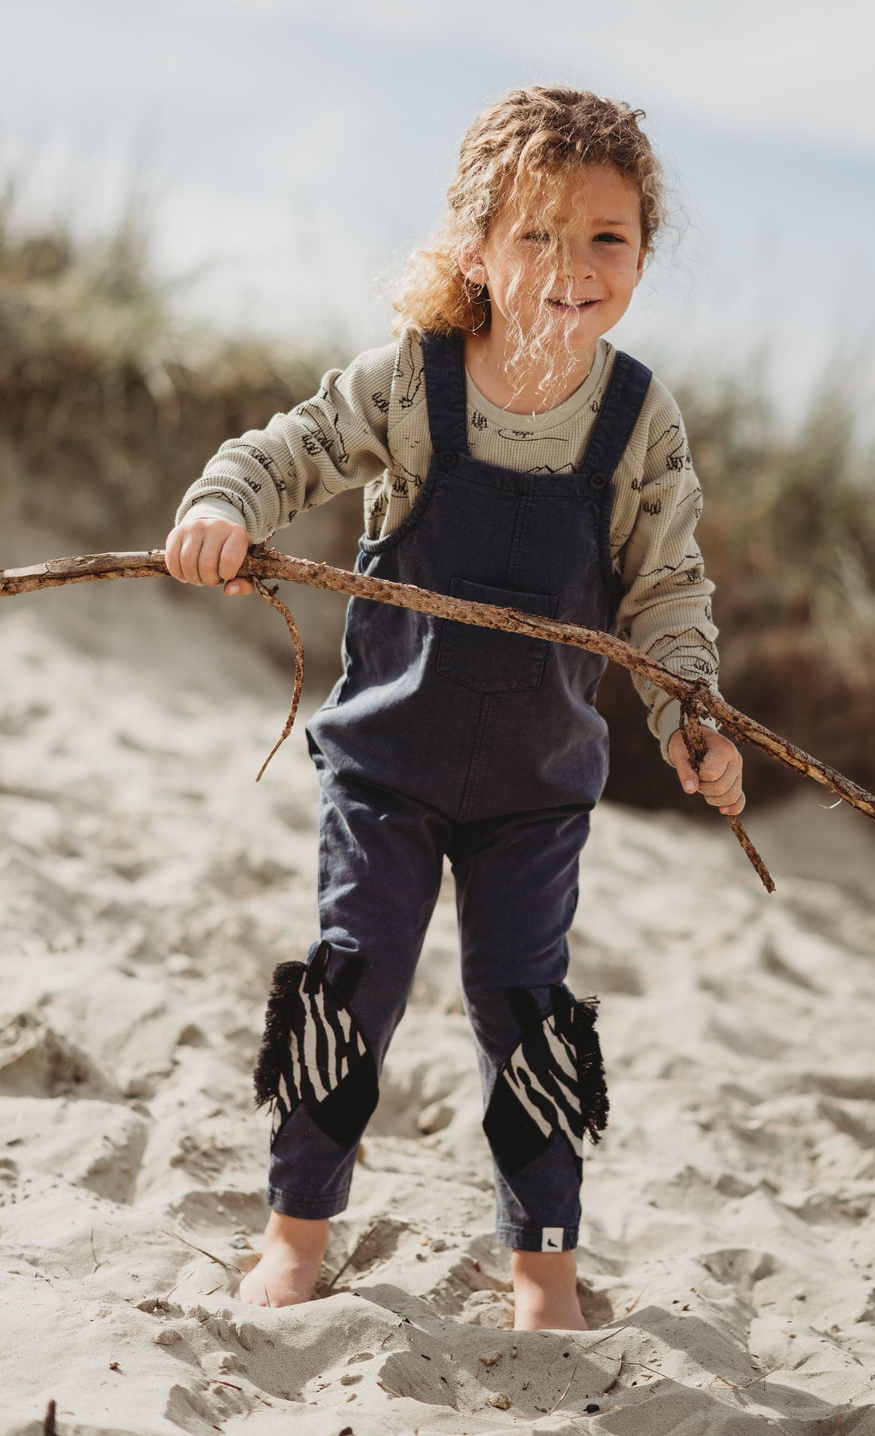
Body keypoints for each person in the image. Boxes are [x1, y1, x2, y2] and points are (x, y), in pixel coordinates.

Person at [165, 85, 745, 1330]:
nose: (570, 267)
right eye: (535, 233)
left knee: (527, 1012)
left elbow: (668, 597)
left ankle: (543, 1270)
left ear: (643, 254)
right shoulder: (412, 385)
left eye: (606, 238)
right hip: (387, 765)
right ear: (476, 247)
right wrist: (222, 513)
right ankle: (297, 1237)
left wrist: (690, 718)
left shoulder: (640, 421)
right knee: (349, 983)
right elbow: (283, 453)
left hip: (538, 788)